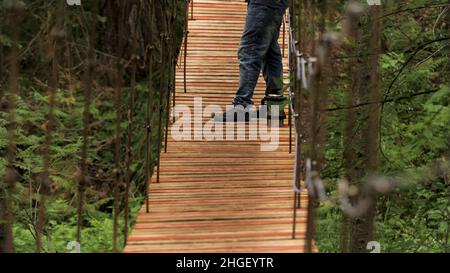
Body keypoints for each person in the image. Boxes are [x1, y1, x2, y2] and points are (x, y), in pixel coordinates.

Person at [215, 0, 289, 122]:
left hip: (263, 4)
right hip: (276, 4)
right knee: (270, 51)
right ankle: (275, 105)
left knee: (249, 51)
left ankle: (242, 106)